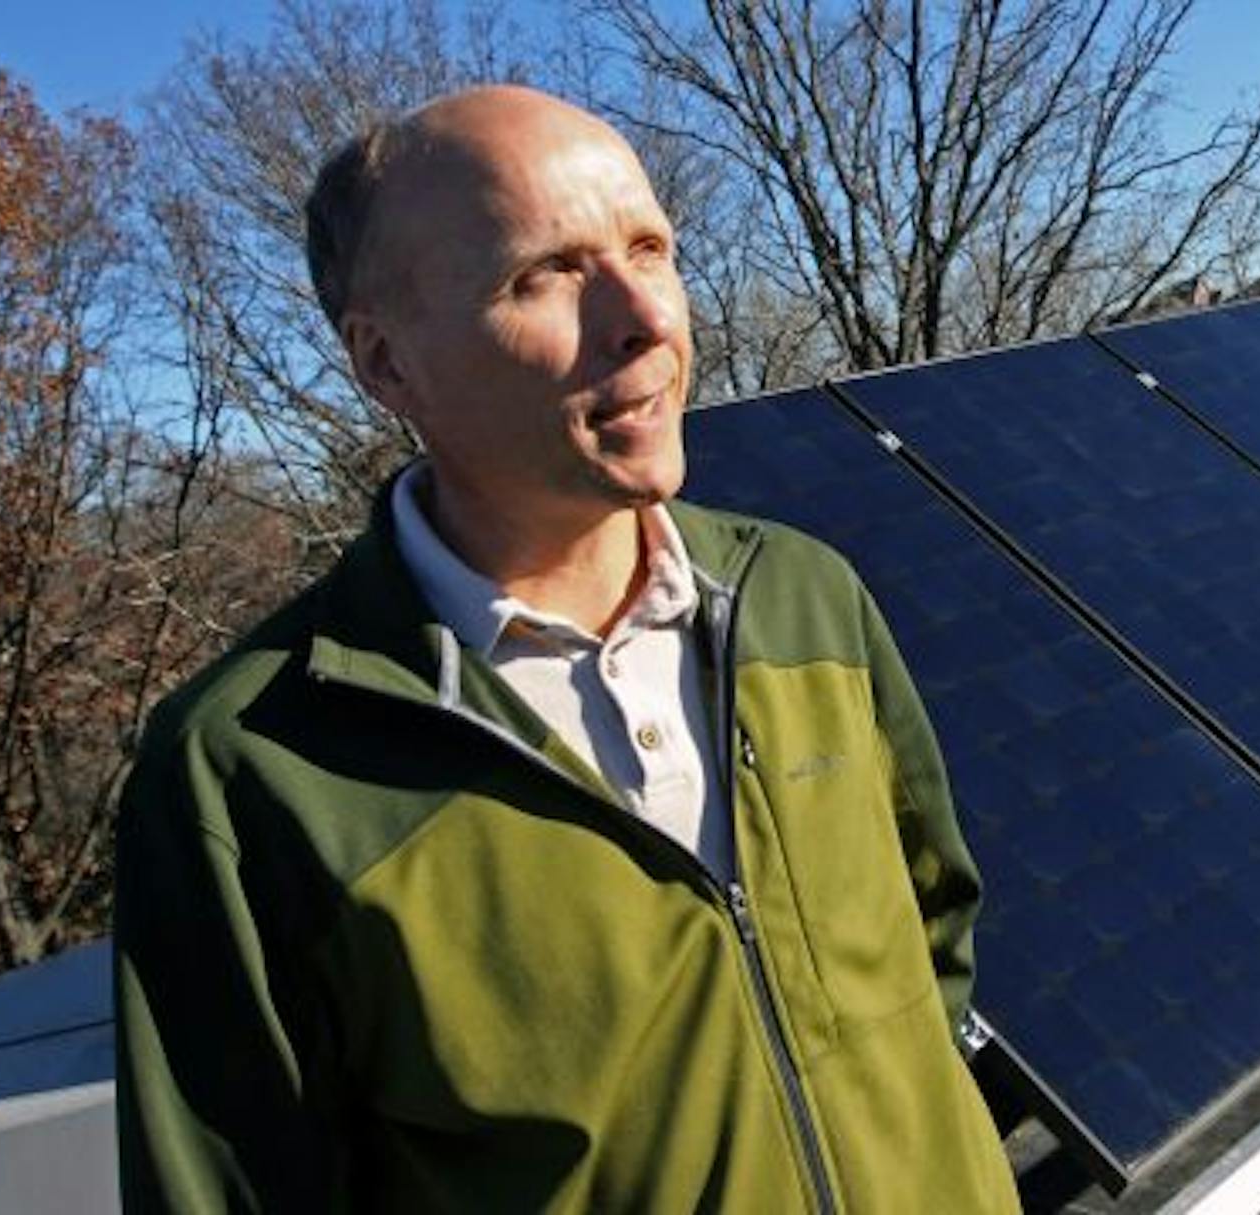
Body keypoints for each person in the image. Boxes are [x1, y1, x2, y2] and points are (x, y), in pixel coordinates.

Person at [112, 85, 1019, 1213]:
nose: (645, 316)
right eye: (542, 274)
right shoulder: (251, 771)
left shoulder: (801, 598)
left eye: (650, 248)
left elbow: (934, 943)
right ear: (386, 364)